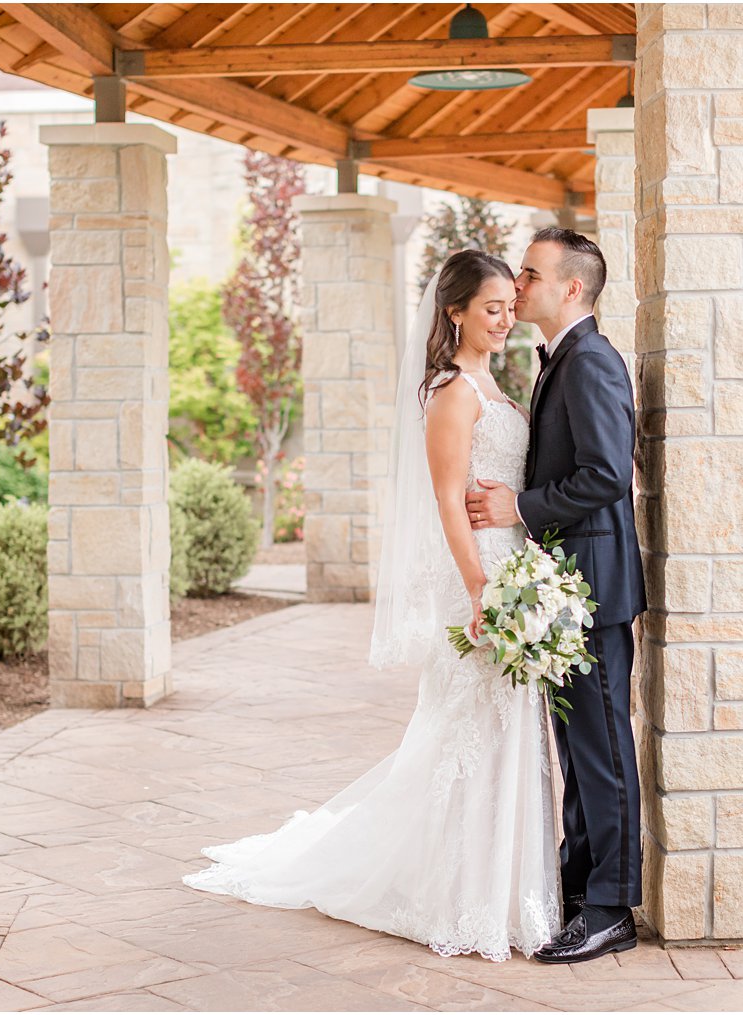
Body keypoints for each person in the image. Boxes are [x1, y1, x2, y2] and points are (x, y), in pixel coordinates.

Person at [183, 250, 560, 962]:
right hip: (478, 577)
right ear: (455, 313)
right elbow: (449, 497)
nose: (507, 319)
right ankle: (459, 892)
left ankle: (510, 889)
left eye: (511, 305)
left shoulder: (494, 382)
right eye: (492, 308)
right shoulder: (451, 392)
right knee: (469, 729)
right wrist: (481, 586)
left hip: (516, 569)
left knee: (509, 730)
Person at [466, 227, 647, 964]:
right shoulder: (560, 360)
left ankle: (610, 910)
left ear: (571, 288)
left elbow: (607, 473)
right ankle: (580, 892)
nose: (520, 282)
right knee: (579, 751)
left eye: (532, 273)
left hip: (595, 594)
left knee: (602, 753)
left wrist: (522, 507)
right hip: (567, 595)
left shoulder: (591, 361)